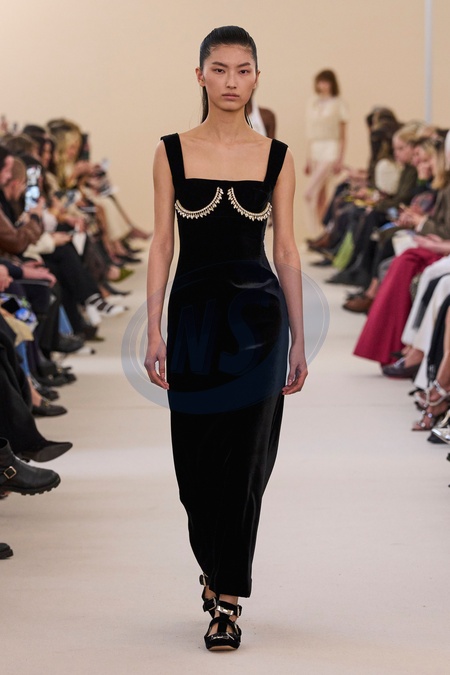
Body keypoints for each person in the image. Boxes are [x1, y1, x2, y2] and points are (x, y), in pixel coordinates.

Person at [145, 25, 307, 652]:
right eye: (220, 69)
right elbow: (162, 244)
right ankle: (213, 565)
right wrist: (153, 326)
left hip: (260, 324)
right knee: (194, 460)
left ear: (256, 77)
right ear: (201, 76)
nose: (232, 81)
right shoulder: (170, 152)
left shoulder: (277, 156)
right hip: (193, 322)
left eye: (243, 70)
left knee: (246, 459)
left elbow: (286, 249)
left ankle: (227, 597)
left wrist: (298, 338)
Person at [304, 69, 348, 239]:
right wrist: (308, 158)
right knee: (321, 195)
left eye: (326, 81)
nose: (323, 85)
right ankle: (322, 233)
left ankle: (316, 231)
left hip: (331, 148)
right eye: (320, 81)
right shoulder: (313, 103)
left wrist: (340, 159)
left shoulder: (339, 103)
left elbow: (343, 135)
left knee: (309, 193)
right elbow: (309, 132)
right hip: (315, 149)